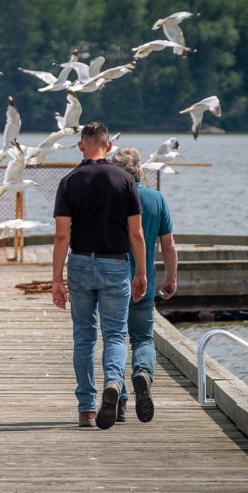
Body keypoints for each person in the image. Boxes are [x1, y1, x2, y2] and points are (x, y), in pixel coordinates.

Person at [51, 121, 146, 430]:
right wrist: (141, 272)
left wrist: (56, 279)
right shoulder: (124, 181)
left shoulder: (68, 181)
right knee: (116, 334)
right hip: (115, 263)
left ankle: (86, 409)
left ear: (81, 145)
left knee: (84, 336)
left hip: (79, 263)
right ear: (109, 145)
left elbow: (62, 236)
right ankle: (114, 384)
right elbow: (136, 234)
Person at [111, 147, 178, 423]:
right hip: (144, 283)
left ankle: (120, 401)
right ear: (140, 170)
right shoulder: (156, 199)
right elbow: (169, 245)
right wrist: (171, 277)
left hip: (111, 282)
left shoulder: (109, 200)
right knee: (143, 338)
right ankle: (143, 373)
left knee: (114, 339)